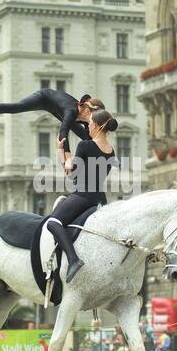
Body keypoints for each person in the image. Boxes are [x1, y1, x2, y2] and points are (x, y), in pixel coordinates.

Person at [47, 109, 119, 283]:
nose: (88, 127)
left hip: (83, 196)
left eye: (89, 123)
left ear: (96, 125)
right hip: (100, 199)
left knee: (53, 222)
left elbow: (73, 175)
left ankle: (73, 260)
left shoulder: (85, 146)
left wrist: (60, 151)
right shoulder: (111, 151)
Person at [0, 89, 105, 163]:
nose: (94, 120)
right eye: (94, 116)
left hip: (55, 108)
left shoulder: (85, 117)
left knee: (85, 135)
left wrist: (104, 151)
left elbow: (92, 135)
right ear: (87, 111)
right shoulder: (71, 112)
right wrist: (68, 158)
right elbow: (63, 134)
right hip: (43, 98)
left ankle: (104, 156)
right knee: (17, 107)